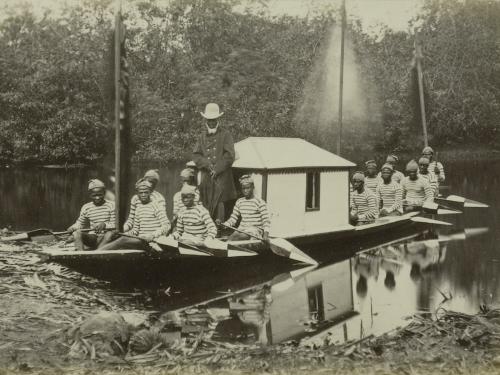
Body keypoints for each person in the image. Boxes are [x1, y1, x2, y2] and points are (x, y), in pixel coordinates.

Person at [193, 103, 237, 221]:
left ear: (218, 120)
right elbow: (196, 155)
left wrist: (217, 169)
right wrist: (207, 165)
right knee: (205, 197)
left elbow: (230, 155)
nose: (211, 122)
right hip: (207, 173)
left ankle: (219, 225)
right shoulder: (201, 137)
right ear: (205, 120)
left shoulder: (226, 134)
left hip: (222, 174)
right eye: (209, 120)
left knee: (220, 198)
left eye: (214, 120)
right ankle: (206, 224)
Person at [99, 179, 170, 250]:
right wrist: (124, 233)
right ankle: (96, 252)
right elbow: (135, 230)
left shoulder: (156, 206)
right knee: (114, 236)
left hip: (152, 242)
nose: (143, 195)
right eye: (141, 193)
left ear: (150, 192)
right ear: (137, 193)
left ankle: (97, 253)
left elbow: (167, 225)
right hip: (140, 239)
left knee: (122, 240)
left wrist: (152, 235)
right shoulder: (138, 208)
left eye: (146, 192)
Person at [217, 175, 270, 242]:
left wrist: (266, 235)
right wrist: (223, 225)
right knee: (231, 237)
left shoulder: (260, 202)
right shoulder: (239, 201)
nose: (245, 191)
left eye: (248, 188)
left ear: (253, 187)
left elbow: (266, 221)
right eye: (243, 188)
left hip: (254, 231)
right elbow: (233, 219)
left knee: (235, 238)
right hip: (241, 229)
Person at [67, 179, 115, 250]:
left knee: (110, 234)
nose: (97, 197)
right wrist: (73, 228)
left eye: (100, 195)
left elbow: (115, 224)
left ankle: (98, 252)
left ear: (104, 193)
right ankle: (81, 255)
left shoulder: (112, 205)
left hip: (107, 237)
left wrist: (105, 225)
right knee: (77, 233)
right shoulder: (86, 207)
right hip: (93, 237)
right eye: (94, 195)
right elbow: (80, 223)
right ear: (90, 195)